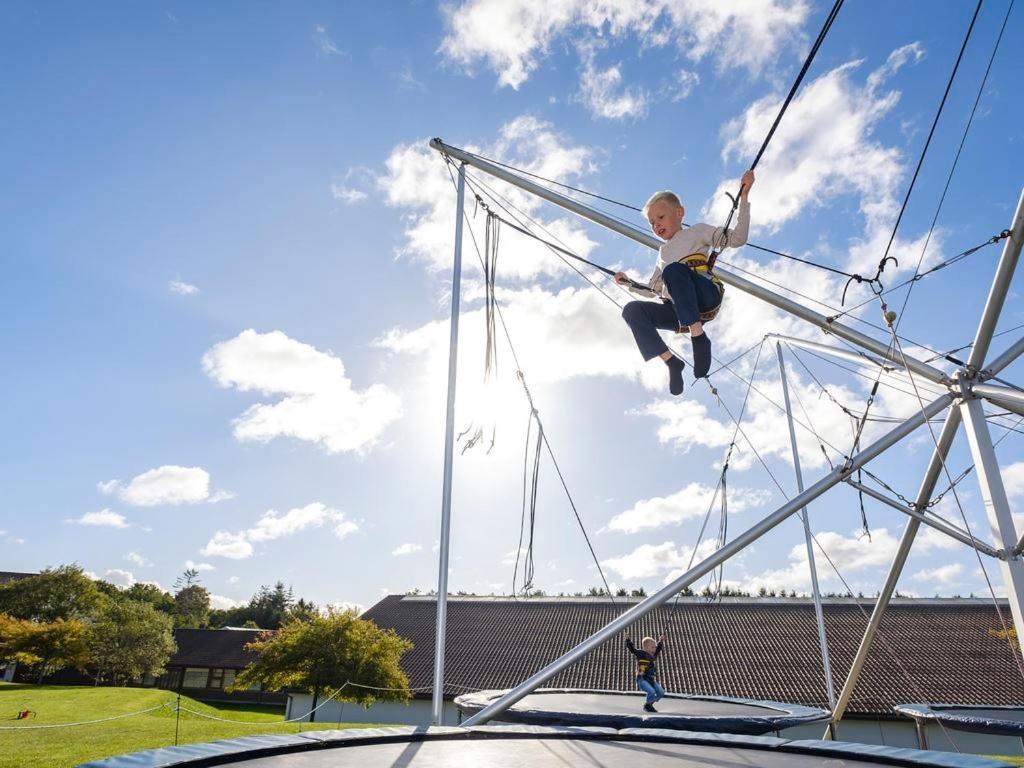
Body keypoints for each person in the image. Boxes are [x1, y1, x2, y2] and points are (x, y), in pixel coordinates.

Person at [615, 171, 754, 395]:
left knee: (674, 271)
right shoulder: (663, 253)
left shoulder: (697, 231)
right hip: (681, 310)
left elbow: (738, 237)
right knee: (631, 311)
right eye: (652, 223)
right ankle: (671, 362)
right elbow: (653, 290)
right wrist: (628, 283)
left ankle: (698, 338)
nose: (656, 225)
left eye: (660, 217)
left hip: (705, 296)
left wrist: (744, 198)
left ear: (679, 213)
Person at [625, 634, 666, 712]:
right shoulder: (641, 654)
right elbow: (632, 650)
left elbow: (658, 649)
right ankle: (648, 705)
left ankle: (649, 704)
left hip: (650, 679)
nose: (655, 649)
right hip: (642, 679)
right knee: (652, 691)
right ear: (646, 648)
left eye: (655, 647)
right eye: (653, 647)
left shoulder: (653, 655)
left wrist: (661, 641)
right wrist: (628, 640)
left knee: (661, 692)